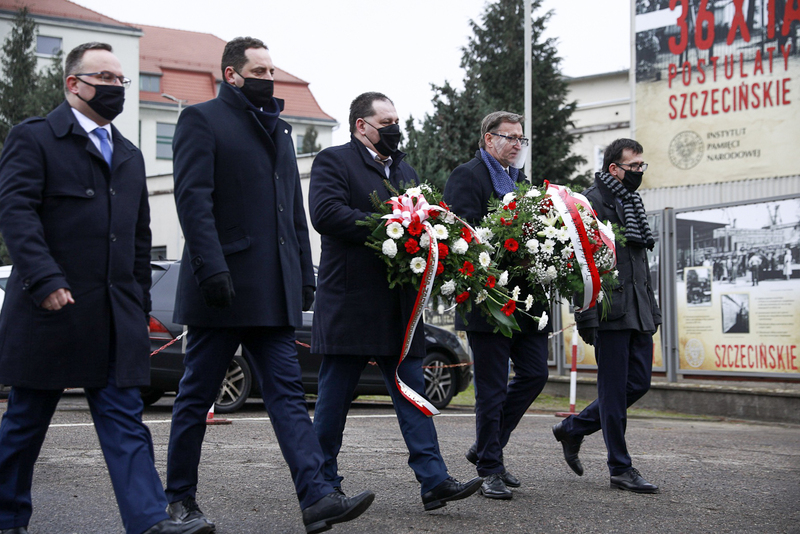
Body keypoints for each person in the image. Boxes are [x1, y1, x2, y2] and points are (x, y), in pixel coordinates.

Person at [166, 37, 373, 534]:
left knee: (285, 396)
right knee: (196, 396)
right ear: (232, 75)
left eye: (272, 69)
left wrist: (304, 273)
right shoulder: (201, 119)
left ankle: (317, 497)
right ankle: (178, 502)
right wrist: (210, 267)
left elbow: (292, 214)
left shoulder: (279, 129)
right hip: (222, 289)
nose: (268, 77)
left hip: (271, 290)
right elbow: (193, 200)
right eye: (259, 69)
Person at [0, 43, 209, 534]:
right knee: (25, 425)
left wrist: (137, 304)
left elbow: (138, 240)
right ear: (74, 83)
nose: (116, 87)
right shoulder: (35, 139)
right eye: (106, 78)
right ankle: (6, 517)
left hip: (113, 318)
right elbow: (16, 213)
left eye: (122, 80)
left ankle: (150, 521)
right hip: (48, 312)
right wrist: (45, 278)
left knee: (125, 422)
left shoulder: (130, 153)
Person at [308, 92, 481, 511]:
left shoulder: (406, 169)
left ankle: (434, 481)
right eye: (385, 121)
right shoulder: (334, 161)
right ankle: (321, 484)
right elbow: (326, 214)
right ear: (360, 126)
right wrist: (392, 227)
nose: (394, 128)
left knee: (412, 393)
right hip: (351, 302)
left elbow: (422, 223)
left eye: (397, 120)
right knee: (334, 400)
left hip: (400, 306)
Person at [442, 111, 552, 500]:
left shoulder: (523, 182)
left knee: (536, 374)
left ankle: (485, 447)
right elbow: (461, 233)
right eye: (511, 138)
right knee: (490, 389)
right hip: (487, 298)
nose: (518, 144)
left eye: (522, 139)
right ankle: (490, 466)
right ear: (489, 140)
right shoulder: (467, 175)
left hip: (527, 301)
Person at [551, 138, 662, 494]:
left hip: (639, 308)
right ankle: (620, 468)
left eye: (642, 166)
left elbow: (640, 261)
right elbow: (576, 264)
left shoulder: (632, 201)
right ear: (614, 168)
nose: (639, 172)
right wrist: (586, 315)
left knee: (639, 383)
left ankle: (573, 428)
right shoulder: (589, 203)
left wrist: (652, 307)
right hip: (609, 309)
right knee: (613, 391)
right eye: (634, 166)